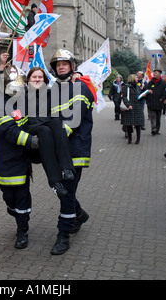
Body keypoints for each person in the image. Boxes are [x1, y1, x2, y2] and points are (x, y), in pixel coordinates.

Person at [0, 64, 39, 249]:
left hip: (22, 161)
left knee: (22, 196)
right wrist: (34, 141)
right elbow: (10, 132)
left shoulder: (23, 103)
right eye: (14, 84)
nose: (18, 88)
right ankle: (16, 213)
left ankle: (22, 230)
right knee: (9, 196)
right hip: (4, 161)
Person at [48, 49, 95, 255]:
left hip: (75, 150)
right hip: (58, 151)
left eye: (65, 64)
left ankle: (63, 236)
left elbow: (73, 121)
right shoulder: (53, 89)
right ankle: (79, 214)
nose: (61, 67)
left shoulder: (80, 87)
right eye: (58, 65)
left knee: (66, 192)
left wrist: (51, 139)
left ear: (72, 66)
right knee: (60, 190)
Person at [26, 66, 75, 198]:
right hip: (33, 128)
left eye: (40, 77)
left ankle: (66, 168)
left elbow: (64, 84)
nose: (37, 79)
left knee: (56, 122)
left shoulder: (50, 93)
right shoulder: (22, 95)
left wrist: (76, 77)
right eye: (34, 77)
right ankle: (55, 182)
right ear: (28, 80)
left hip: (48, 125)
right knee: (44, 130)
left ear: (45, 80)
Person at [121, 74, 144, 144]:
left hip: (138, 107)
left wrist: (143, 95)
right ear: (133, 78)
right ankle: (130, 139)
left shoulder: (138, 86)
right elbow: (124, 97)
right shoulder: (126, 86)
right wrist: (128, 105)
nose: (138, 78)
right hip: (130, 107)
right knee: (129, 124)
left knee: (138, 124)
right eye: (136, 77)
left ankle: (138, 139)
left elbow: (139, 96)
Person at [146, 69, 166, 135]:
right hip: (151, 102)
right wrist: (148, 96)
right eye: (154, 73)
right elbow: (146, 90)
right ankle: (153, 129)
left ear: (160, 74)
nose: (154, 74)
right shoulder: (150, 82)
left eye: (156, 73)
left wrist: (163, 99)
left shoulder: (163, 83)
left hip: (159, 102)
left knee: (158, 117)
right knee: (152, 116)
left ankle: (157, 130)